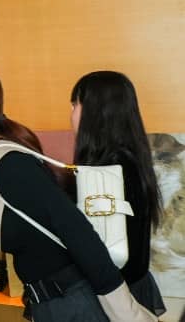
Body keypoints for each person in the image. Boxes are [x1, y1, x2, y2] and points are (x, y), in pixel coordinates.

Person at [0, 65, 156, 321]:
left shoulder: (9, 165)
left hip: (74, 306)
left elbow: (79, 234)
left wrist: (129, 315)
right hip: (55, 304)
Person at [70, 71, 166, 317]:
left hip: (112, 298)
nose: (71, 114)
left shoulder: (104, 171)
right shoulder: (133, 160)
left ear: (95, 112)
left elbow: (96, 253)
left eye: (75, 105)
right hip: (133, 288)